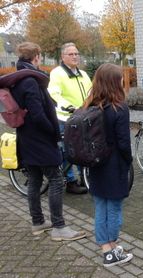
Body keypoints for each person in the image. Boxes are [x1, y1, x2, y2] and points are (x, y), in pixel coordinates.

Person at [12, 42, 86, 241]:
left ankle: (38, 222)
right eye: (40, 56)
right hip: (40, 140)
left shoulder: (18, 79)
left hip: (27, 139)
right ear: (36, 56)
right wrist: (53, 132)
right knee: (55, 180)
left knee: (35, 180)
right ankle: (59, 227)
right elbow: (37, 114)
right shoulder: (30, 81)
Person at [82, 63, 133, 267]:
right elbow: (123, 143)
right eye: (120, 77)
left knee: (100, 206)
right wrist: (128, 162)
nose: (123, 80)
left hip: (95, 163)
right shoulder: (119, 107)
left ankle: (105, 248)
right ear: (115, 81)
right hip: (114, 165)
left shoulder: (90, 104)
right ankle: (112, 250)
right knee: (114, 208)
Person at [48, 42, 92, 194]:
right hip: (65, 118)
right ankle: (70, 181)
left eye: (76, 54)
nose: (75, 57)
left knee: (83, 149)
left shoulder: (83, 74)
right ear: (63, 56)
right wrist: (67, 106)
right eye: (71, 54)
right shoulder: (57, 73)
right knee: (68, 151)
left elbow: (91, 93)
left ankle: (84, 177)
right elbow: (54, 94)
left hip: (83, 118)